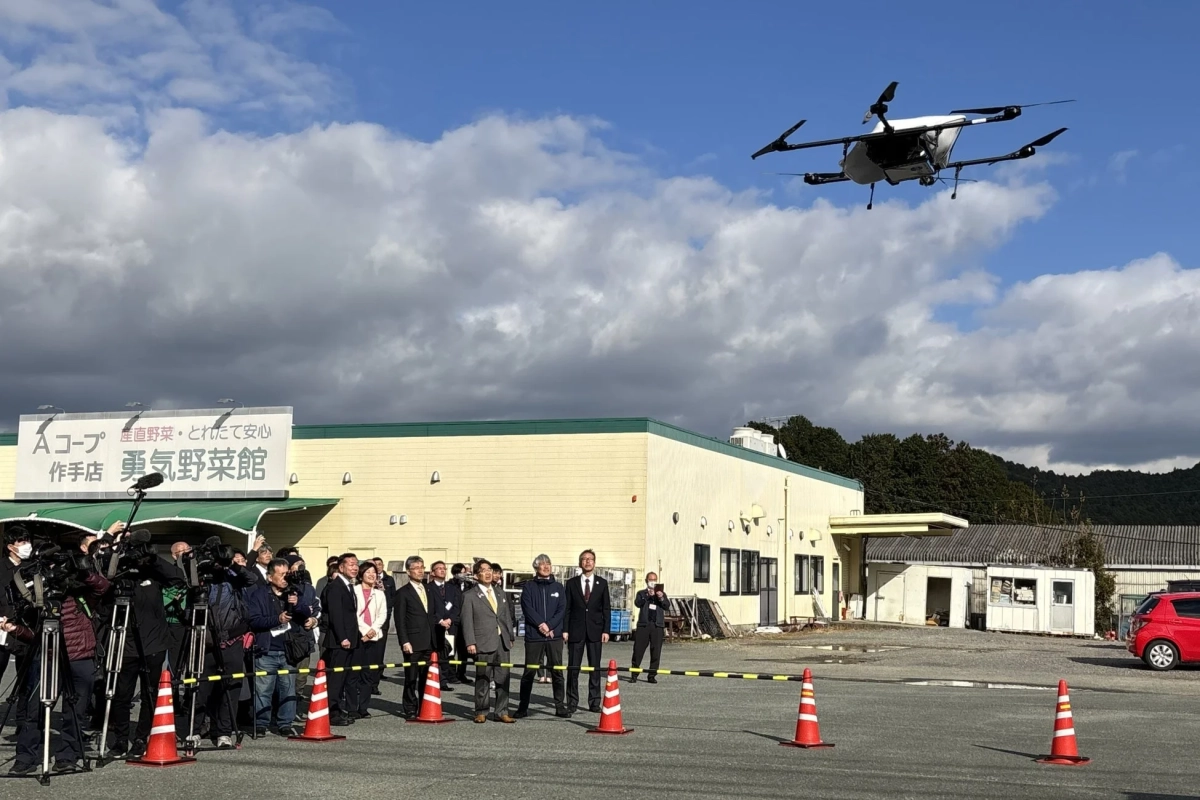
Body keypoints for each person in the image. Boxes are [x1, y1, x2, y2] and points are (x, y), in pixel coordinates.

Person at [247, 558, 313, 737]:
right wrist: (278, 619)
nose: (285, 578)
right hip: (266, 649)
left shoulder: (294, 591)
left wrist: (296, 602)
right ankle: (261, 723)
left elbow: (308, 611)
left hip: (289, 650)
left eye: (287, 574)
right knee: (263, 689)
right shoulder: (259, 595)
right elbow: (253, 620)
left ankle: (285, 722)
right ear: (270, 577)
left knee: (288, 688)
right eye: (281, 574)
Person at [459, 560, 515, 723]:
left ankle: (502, 710)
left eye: (490, 569)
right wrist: (470, 642)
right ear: (476, 575)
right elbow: (466, 621)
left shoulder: (500, 593)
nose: (488, 573)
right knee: (483, 677)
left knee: (503, 677)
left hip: (501, 640)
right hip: (482, 641)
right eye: (483, 570)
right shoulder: (469, 596)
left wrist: (510, 635)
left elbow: (505, 616)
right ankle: (481, 711)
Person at [515, 553, 568, 718]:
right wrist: (541, 625)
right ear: (536, 567)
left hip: (554, 636)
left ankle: (560, 706)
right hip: (534, 636)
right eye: (542, 564)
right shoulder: (529, 587)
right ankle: (523, 707)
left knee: (557, 671)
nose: (546, 566)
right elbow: (527, 608)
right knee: (529, 672)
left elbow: (562, 609)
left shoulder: (558, 587)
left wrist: (550, 625)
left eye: (548, 564)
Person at [563, 549, 610, 714]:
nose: (587, 562)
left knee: (595, 668)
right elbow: (567, 608)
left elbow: (606, 608)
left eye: (590, 559)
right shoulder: (571, 583)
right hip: (576, 630)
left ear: (594, 563)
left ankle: (594, 702)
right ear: (580, 563)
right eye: (584, 559)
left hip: (595, 630)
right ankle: (572, 702)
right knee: (573, 668)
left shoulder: (602, 583)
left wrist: (606, 630)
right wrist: (565, 629)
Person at [320, 552, 360, 726]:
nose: (355, 567)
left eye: (356, 564)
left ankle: (337, 708)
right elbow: (336, 615)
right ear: (341, 567)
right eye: (350, 564)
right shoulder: (336, 586)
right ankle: (331, 711)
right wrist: (343, 637)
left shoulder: (349, 586)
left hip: (350, 638)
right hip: (338, 641)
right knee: (336, 678)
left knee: (344, 676)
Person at [393, 555, 435, 718]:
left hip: (429, 640)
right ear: (408, 572)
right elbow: (400, 619)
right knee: (411, 677)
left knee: (427, 676)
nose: (420, 571)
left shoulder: (428, 589)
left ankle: (425, 705)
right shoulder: (403, 593)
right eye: (416, 568)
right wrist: (404, 641)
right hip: (413, 640)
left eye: (422, 567)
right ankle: (410, 708)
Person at [352, 560, 388, 716]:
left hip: (373, 637)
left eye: (374, 572)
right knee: (353, 674)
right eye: (368, 572)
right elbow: (353, 614)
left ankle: (363, 707)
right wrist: (365, 632)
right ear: (361, 575)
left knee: (368, 674)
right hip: (357, 636)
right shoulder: (353, 591)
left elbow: (383, 614)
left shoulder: (379, 594)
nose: (372, 575)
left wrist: (372, 631)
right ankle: (352, 707)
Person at [424, 560, 459, 688]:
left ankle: (444, 679)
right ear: (432, 572)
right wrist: (440, 621)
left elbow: (457, 606)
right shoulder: (428, 588)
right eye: (439, 568)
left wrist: (450, 619)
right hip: (435, 625)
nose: (442, 570)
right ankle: (436, 679)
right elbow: (429, 607)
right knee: (435, 652)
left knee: (448, 652)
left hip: (450, 625)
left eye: (444, 568)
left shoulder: (452, 588)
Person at [629, 572, 668, 683]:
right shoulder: (641, 593)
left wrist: (660, 598)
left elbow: (666, 606)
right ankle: (634, 674)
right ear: (646, 581)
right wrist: (647, 596)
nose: (653, 582)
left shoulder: (662, 594)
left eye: (655, 579)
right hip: (644, 625)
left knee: (656, 651)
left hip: (657, 626)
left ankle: (652, 675)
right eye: (651, 579)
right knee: (638, 650)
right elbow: (638, 603)